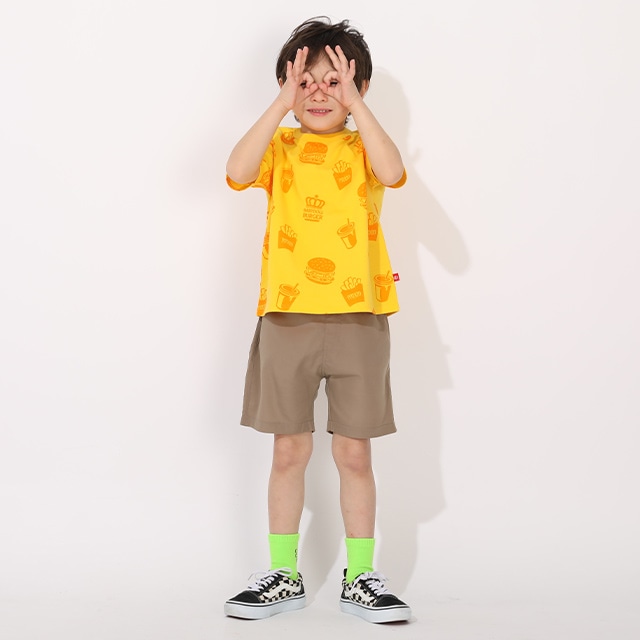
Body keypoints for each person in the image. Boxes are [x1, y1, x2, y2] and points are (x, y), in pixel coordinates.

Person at [223, 17, 412, 624]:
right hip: (287, 319)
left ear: (358, 86)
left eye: (335, 81)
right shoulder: (280, 148)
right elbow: (237, 171)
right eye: (306, 81)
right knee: (289, 451)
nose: (320, 93)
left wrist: (358, 105)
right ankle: (284, 573)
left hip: (359, 320)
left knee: (355, 454)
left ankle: (361, 577)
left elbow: (393, 172)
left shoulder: (363, 149)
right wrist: (282, 102)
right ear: (287, 84)